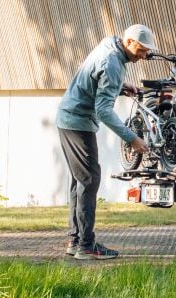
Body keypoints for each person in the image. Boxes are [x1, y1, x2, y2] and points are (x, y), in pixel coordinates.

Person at [56, 24, 155, 260]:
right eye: (141, 50)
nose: (144, 56)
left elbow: (95, 79)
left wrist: (121, 87)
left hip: (69, 118)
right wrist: (132, 138)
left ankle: (75, 239)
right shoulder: (113, 64)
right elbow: (103, 111)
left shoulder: (108, 46)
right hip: (77, 123)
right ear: (129, 42)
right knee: (90, 180)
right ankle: (86, 246)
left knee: (79, 182)